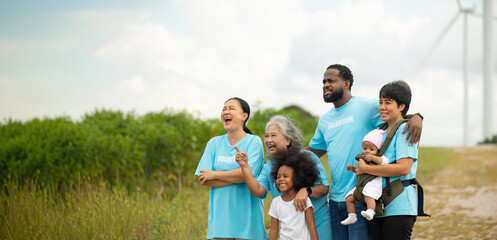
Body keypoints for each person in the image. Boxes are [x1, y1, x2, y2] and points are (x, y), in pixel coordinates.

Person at [307, 64, 423, 240]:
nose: (325, 84)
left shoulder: (367, 106)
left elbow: (397, 114)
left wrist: (417, 117)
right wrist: (280, 160)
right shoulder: (324, 121)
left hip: (362, 195)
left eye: (331, 80)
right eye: (324, 81)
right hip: (337, 199)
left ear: (346, 84)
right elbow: (311, 152)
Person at [235, 115, 333, 239]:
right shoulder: (269, 167)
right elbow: (258, 191)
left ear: (287, 139)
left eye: (273, 135)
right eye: (266, 136)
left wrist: (306, 191)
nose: (268, 140)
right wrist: (244, 166)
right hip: (292, 231)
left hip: (319, 223)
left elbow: (324, 189)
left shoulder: (308, 156)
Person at [195, 97, 267, 240]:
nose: (226, 112)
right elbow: (203, 178)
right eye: (224, 109)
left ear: (244, 116)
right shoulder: (214, 143)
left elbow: (248, 174)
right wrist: (240, 176)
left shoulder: (254, 142)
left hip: (249, 224)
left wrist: (214, 174)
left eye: (231, 108)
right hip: (220, 225)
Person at [355, 80, 419, 240]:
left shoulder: (405, 131)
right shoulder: (381, 131)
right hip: (378, 206)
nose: (382, 107)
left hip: (399, 205)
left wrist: (366, 169)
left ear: (402, 106)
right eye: (381, 102)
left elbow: (403, 168)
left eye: (388, 102)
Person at [268, 151, 320, 240]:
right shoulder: (276, 202)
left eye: (285, 176)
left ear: (297, 179)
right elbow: (273, 229)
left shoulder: (304, 199)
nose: (280, 179)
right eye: (278, 177)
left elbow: (311, 226)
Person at [341, 129, 389, 225]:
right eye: (365, 148)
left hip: (373, 182)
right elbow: (360, 171)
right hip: (361, 185)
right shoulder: (362, 158)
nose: (367, 151)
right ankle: (352, 216)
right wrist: (353, 168)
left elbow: (385, 161)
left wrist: (373, 158)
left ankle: (370, 211)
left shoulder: (379, 158)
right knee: (349, 198)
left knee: (369, 195)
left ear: (378, 150)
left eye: (372, 149)